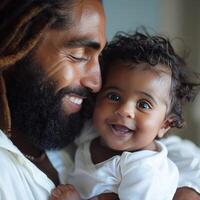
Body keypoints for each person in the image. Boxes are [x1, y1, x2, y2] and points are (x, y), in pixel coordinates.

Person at [0, 1, 199, 200]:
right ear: (17, 46)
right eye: (79, 55)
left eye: (98, 58)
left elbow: (180, 152)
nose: (97, 83)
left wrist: (188, 190)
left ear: (166, 124)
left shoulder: (62, 120)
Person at [49, 31, 200, 200]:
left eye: (143, 104)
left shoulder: (145, 170)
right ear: (97, 98)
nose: (124, 110)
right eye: (114, 96)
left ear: (164, 125)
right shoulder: (91, 132)